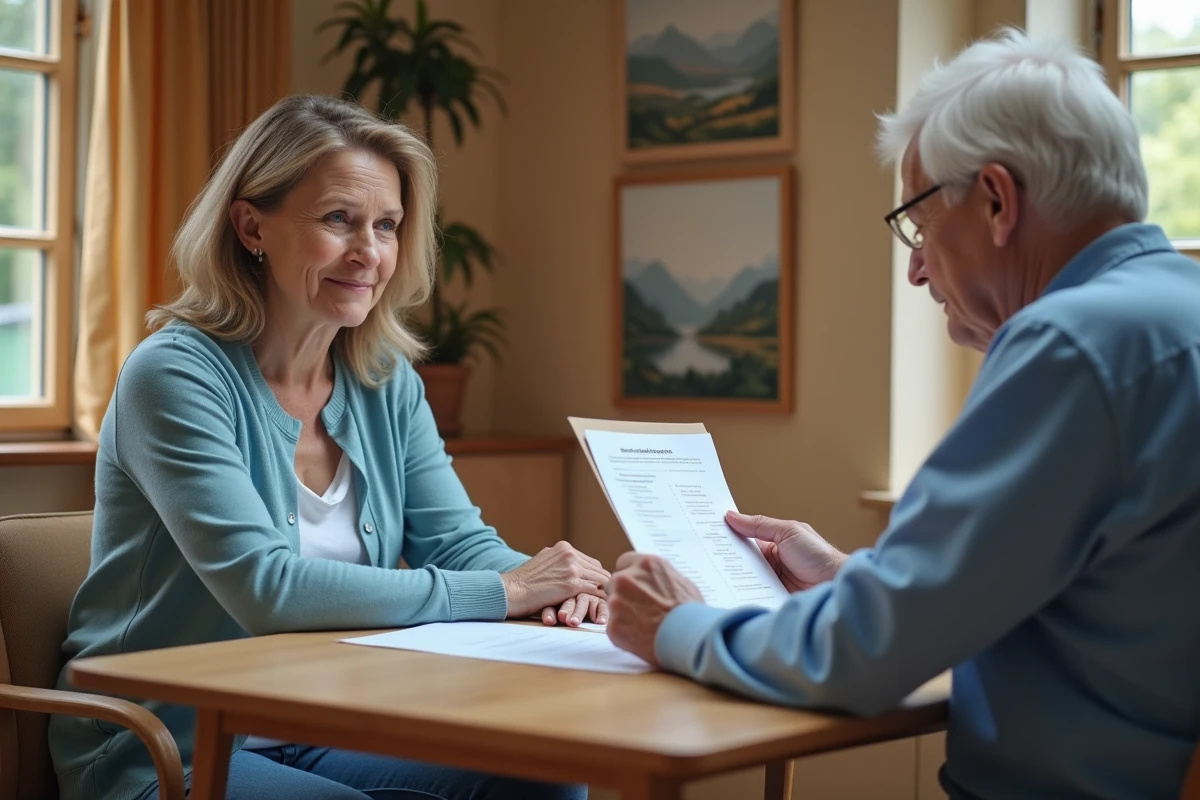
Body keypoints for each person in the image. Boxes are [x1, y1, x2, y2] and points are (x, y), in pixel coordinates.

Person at [604, 29, 1200, 800]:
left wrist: (674, 625)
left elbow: (862, 658)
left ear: (996, 199)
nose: (916, 267)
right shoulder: (1170, 318)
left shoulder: (1072, 344)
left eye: (919, 225)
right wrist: (858, 580)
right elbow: (1095, 599)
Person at [49, 94, 603, 800]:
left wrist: (567, 590)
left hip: (326, 727)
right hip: (166, 748)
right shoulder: (175, 375)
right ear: (251, 226)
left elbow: (459, 545)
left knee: (545, 783)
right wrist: (508, 592)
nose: (369, 252)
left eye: (387, 225)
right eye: (339, 219)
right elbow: (267, 589)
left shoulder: (384, 381)